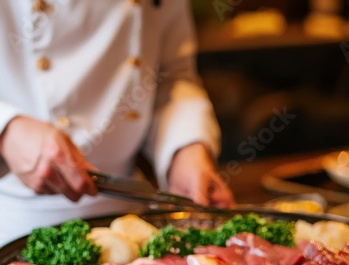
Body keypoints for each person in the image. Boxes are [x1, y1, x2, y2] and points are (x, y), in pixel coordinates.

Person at [0, 0, 234, 247]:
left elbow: (171, 74)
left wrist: (185, 149)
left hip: (130, 220)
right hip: (18, 221)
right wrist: (8, 128)